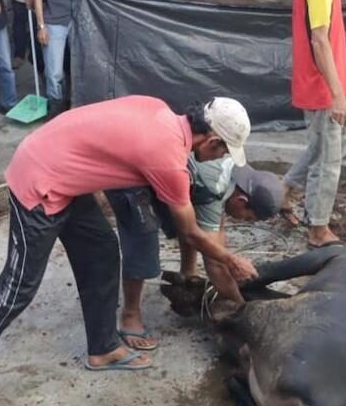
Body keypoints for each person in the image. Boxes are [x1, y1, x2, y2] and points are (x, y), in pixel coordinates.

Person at [0, 95, 259, 406]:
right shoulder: (168, 157)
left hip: (64, 175)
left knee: (103, 250)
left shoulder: (160, 110)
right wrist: (230, 260)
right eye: (221, 150)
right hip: (39, 178)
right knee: (18, 286)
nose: (218, 157)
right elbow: (190, 233)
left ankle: (103, 347)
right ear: (213, 139)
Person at [107, 142, 283, 351]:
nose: (245, 220)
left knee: (188, 220)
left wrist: (226, 261)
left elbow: (213, 226)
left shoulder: (236, 169)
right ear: (242, 200)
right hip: (128, 172)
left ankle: (187, 273)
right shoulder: (214, 184)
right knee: (142, 241)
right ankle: (130, 316)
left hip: (161, 166)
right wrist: (242, 308)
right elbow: (214, 262)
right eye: (249, 216)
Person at [284, 0, 346, 248]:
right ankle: (318, 228)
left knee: (323, 146)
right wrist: (337, 93)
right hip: (323, 83)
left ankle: (284, 191)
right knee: (329, 158)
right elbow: (319, 39)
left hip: (318, 79)